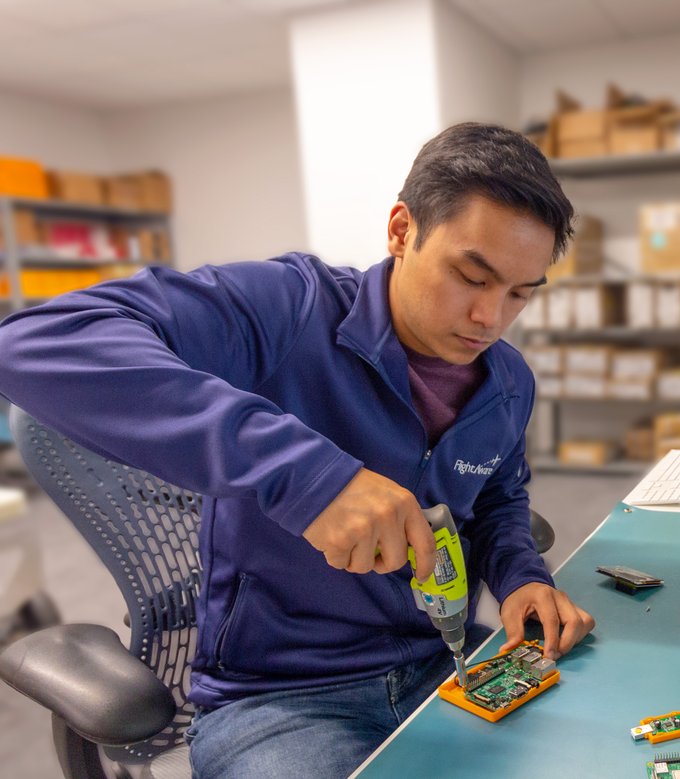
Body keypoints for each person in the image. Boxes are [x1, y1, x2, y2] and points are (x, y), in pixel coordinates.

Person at [0, 122, 595, 778]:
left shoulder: (508, 381)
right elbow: (36, 342)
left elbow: (499, 500)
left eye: (519, 293)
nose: (491, 317)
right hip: (281, 697)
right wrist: (307, 476)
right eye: (471, 276)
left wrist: (521, 577)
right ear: (402, 230)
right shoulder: (290, 309)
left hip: (441, 662)